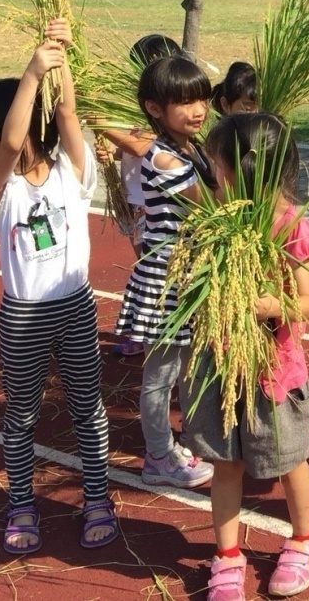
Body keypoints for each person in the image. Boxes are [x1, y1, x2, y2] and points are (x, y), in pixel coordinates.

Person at [0, 19, 116, 552]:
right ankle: (22, 503)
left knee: (87, 405)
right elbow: (12, 142)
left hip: (75, 306)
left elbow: (67, 112)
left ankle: (98, 496)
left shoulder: (70, 173)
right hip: (23, 315)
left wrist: (59, 52)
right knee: (21, 413)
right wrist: (31, 71)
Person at [185, 114, 309, 601]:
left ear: (243, 170)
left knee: (289, 461)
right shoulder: (216, 217)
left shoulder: (290, 225)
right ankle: (226, 555)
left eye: (218, 165)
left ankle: (306, 539)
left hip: (272, 370)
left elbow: (308, 302)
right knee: (226, 464)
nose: (213, 175)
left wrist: (269, 305)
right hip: (221, 368)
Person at [113, 56, 216, 490]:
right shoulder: (164, 159)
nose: (198, 111)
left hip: (186, 274)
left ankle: (183, 443)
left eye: (203, 100)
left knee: (189, 367)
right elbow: (211, 208)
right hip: (166, 279)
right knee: (162, 374)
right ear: (154, 108)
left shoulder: (184, 147)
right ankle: (158, 456)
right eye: (186, 102)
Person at [100, 34, 183, 352]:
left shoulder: (164, 108)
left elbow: (144, 145)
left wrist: (102, 125)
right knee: (148, 268)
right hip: (134, 200)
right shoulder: (137, 103)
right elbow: (131, 149)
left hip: (154, 203)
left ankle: (156, 334)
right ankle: (149, 332)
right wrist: (111, 152)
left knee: (158, 270)